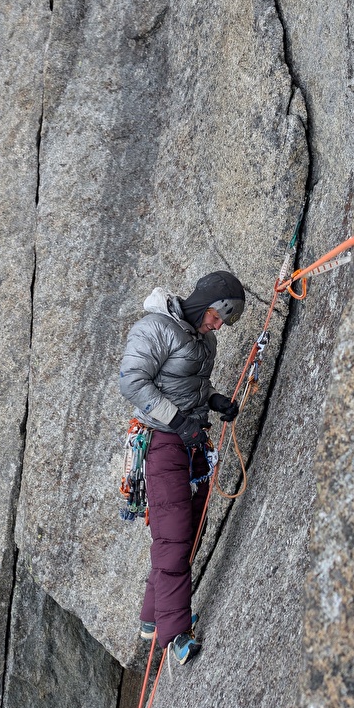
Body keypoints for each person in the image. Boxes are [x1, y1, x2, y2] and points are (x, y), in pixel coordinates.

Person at [118, 271, 245, 664]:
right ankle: (174, 637)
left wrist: (215, 400)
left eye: (224, 320)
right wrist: (178, 423)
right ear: (205, 300)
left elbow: (193, 385)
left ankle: (151, 619)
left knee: (190, 526)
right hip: (159, 442)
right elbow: (132, 382)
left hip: (190, 438)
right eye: (217, 315)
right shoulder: (154, 327)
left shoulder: (205, 341)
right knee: (173, 536)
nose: (218, 325)